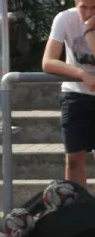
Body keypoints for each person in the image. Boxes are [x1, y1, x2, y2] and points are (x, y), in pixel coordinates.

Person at [42, 0, 95, 189]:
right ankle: (77, 210)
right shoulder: (64, 18)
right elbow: (48, 62)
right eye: (84, 7)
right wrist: (81, 74)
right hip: (75, 94)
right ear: (76, 3)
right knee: (73, 158)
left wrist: (89, 30)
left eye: (94, 7)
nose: (88, 12)